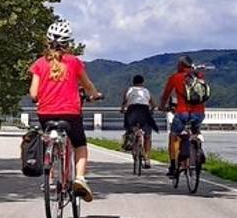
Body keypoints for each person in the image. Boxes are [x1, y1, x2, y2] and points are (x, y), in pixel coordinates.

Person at [29, 19, 103, 201]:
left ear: (47, 41)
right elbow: (87, 85)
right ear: (68, 44)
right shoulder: (74, 62)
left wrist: (41, 97)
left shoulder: (39, 63)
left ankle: (52, 177)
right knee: (80, 144)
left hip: (45, 114)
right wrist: (94, 94)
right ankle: (79, 178)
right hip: (70, 113)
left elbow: (33, 94)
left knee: (49, 139)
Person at [159, 56, 206, 176]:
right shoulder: (198, 77)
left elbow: (166, 95)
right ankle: (199, 147)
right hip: (199, 112)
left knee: (173, 136)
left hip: (182, 112)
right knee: (195, 130)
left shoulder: (175, 77)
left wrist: (162, 107)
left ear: (181, 65)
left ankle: (173, 166)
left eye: (178, 64)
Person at [120, 74, 155, 166]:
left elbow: (124, 103)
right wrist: (151, 110)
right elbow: (153, 104)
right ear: (143, 83)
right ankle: (147, 158)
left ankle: (130, 140)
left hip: (132, 113)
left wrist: (122, 109)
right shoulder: (146, 91)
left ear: (133, 82)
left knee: (130, 130)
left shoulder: (129, 90)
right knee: (148, 136)